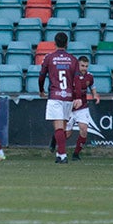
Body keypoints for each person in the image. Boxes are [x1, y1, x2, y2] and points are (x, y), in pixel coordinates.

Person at [39, 31, 80, 164]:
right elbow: (77, 81)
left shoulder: (49, 58)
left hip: (55, 95)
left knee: (58, 128)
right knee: (61, 128)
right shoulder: (73, 59)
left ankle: (62, 155)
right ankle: (58, 153)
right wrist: (77, 96)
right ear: (67, 44)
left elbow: (41, 76)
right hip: (68, 97)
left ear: (54, 43)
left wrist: (41, 90)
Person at [66, 55, 100, 161]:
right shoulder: (70, 75)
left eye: (86, 66)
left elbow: (92, 86)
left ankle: (76, 154)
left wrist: (95, 95)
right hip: (70, 107)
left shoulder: (89, 76)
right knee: (67, 134)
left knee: (84, 129)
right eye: (82, 66)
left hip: (82, 107)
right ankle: (55, 138)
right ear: (77, 65)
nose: (84, 68)